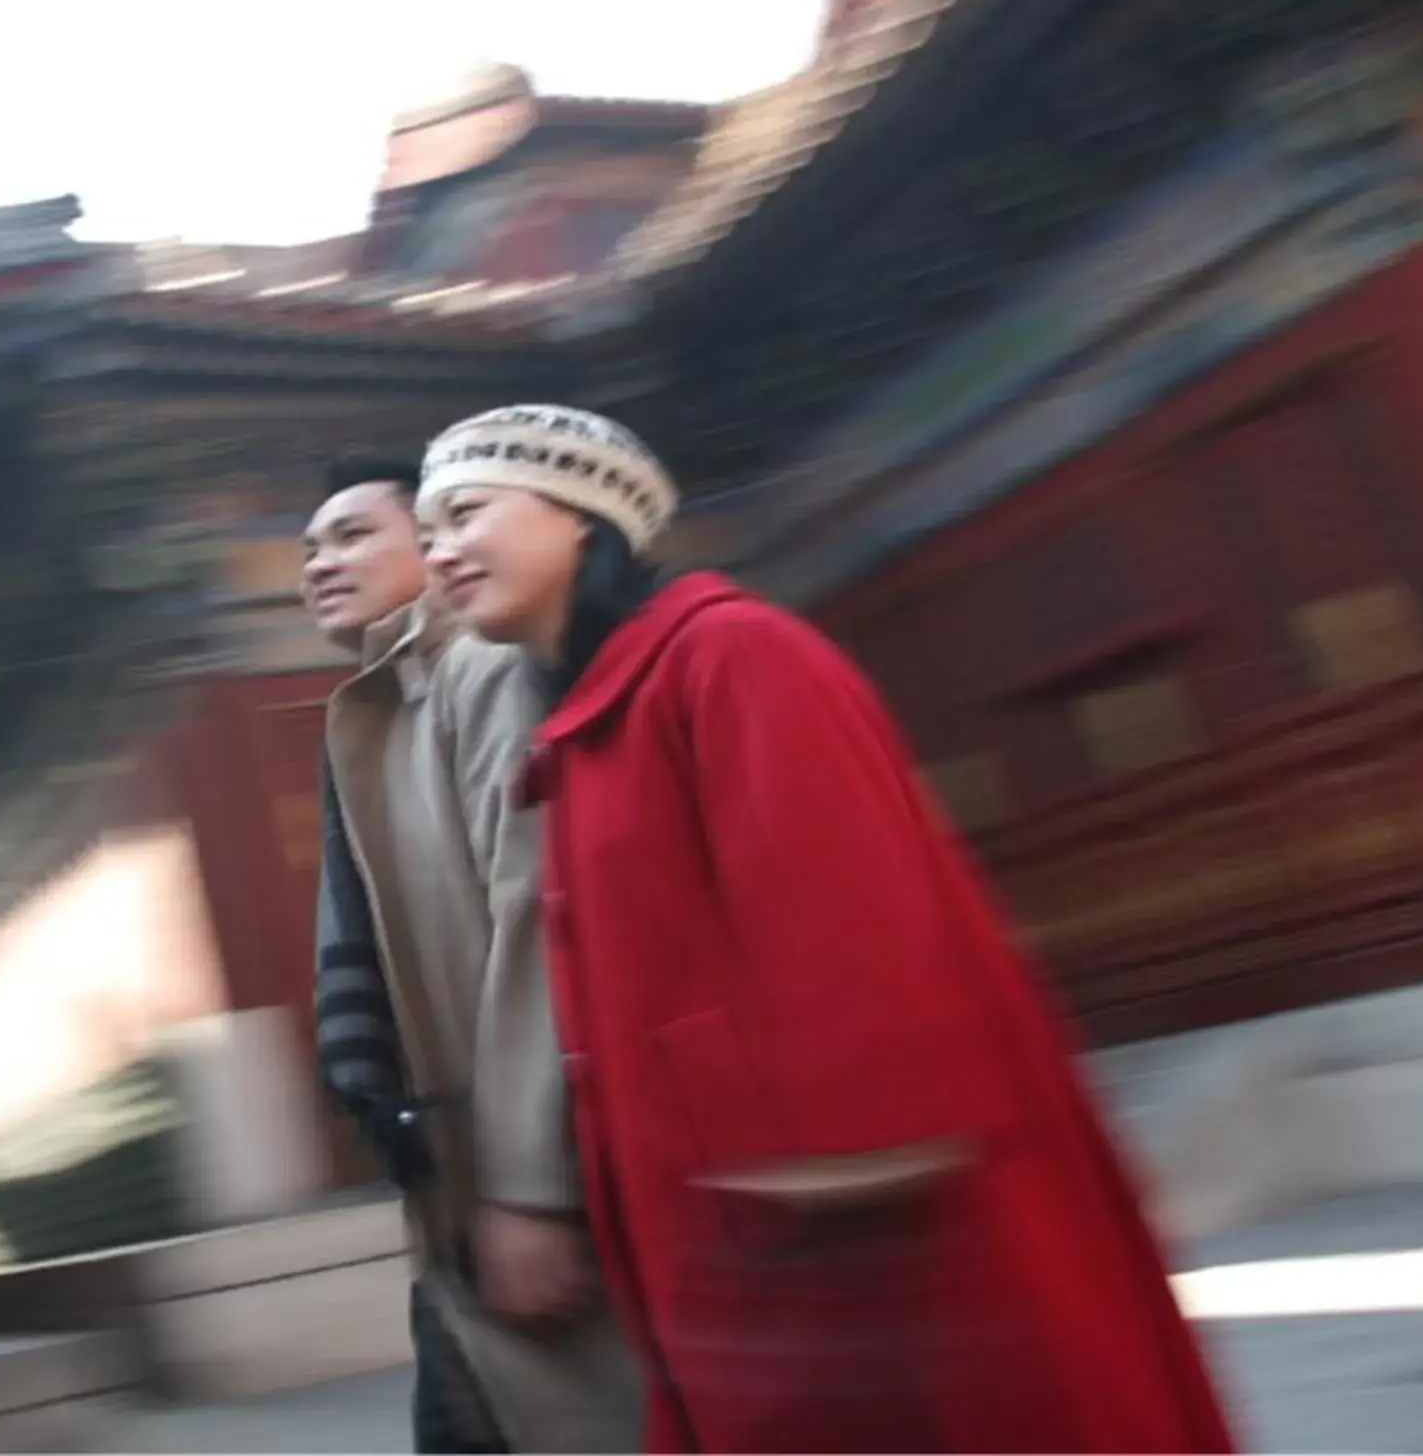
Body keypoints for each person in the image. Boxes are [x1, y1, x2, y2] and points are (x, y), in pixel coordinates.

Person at [415, 405, 1239, 1455]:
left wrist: (849, 1153)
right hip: (729, 1229)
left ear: (581, 512)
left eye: (465, 512)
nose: (438, 550)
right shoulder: (590, 725)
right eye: (429, 528)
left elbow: (850, 910)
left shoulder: (735, 655)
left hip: (841, 1222)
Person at [301, 455, 644, 1454]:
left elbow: (539, 919)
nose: (322, 562)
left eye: (355, 533)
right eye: (311, 547)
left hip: (539, 1184)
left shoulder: (482, 673)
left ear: (444, 539)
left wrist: (532, 1187)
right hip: (462, 1182)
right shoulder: (381, 707)